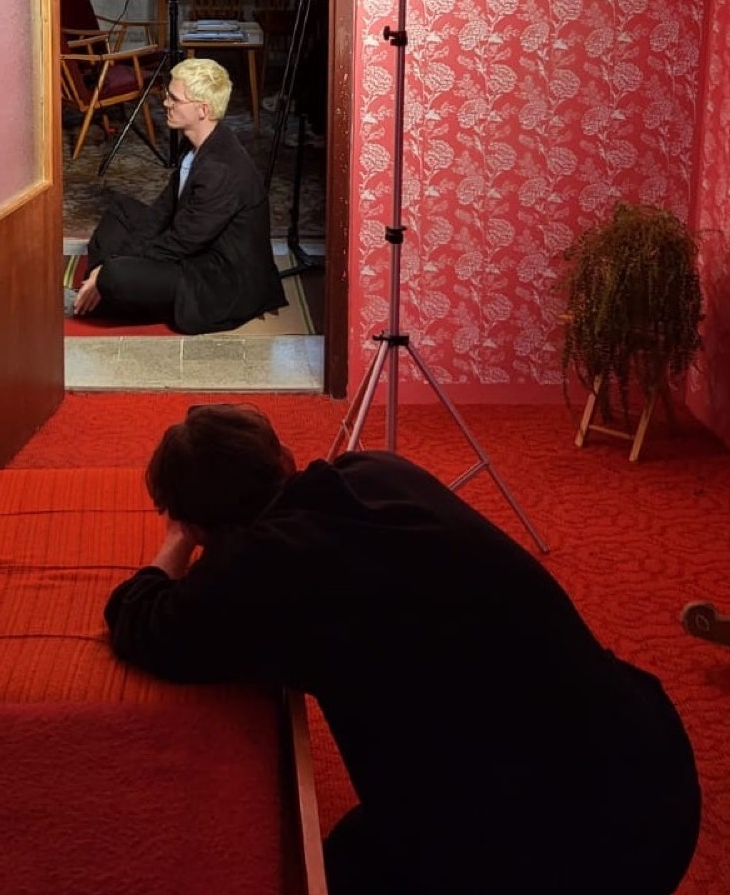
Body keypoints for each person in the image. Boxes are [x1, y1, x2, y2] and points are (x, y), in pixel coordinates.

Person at [104, 404, 701, 895]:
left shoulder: (257, 571)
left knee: (321, 876)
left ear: (201, 525)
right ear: (282, 459)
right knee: (355, 851)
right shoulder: (378, 469)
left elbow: (139, 619)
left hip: (582, 849)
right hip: (650, 759)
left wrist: (177, 542)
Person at [72, 59, 285, 333]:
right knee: (121, 209)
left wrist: (111, 267)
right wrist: (112, 263)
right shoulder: (196, 143)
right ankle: (99, 287)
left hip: (215, 278)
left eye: (174, 98)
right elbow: (162, 211)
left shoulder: (221, 169)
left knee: (115, 275)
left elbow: (181, 243)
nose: (165, 103)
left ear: (202, 110)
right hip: (191, 248)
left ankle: (104, 288)